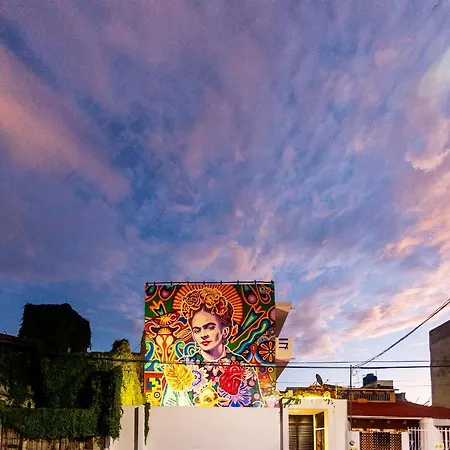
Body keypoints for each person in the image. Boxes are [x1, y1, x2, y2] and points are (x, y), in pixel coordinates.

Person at [161, 287, 265, 407]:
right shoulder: (181, 368)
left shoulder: (243, 367)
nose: (203, 335)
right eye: (197, 330)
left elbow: (257, 407)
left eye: (210, 327)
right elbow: (168, 407)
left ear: (225, 331)